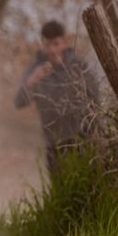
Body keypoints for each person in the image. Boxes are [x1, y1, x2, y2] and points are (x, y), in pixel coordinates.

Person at [14, 20, 101, 175]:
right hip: (53, 145)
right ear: (42, 44)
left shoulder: (78, 66)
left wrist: (97, 132)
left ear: (64, 43)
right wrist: (32, 81)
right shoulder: (36, 69)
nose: (52, 50)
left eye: (56, 44)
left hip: (82, 139)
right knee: (61, 191)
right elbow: (19, 102)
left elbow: (96, 100)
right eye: (48, 45)